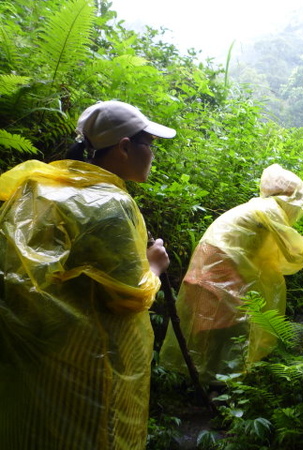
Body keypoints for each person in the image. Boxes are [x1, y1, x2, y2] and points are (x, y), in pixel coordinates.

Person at [0, 100, 175, 449]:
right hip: (90, 360)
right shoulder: (110, 203)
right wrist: (154, 265)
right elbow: (129, 294)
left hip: (34, 351)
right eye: (149, 145)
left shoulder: (37, 188)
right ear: (125, 146)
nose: (152, 155)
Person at [160, 164, 303, 384]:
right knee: (236, 323)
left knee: (220, 322)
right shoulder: (270, 210)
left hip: (213, 261)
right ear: (290, 197)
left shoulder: (258, 207)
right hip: (222, 264)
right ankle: (225, 387)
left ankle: (206, 380)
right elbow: (292, 254)